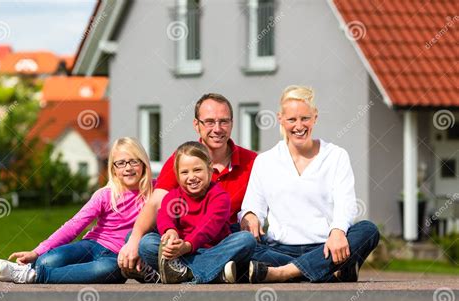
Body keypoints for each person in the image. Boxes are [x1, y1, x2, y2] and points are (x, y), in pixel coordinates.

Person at [239, 85, 379, 283]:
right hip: (279, 248)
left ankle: (284, 273)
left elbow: (346, 204)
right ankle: (329, 270)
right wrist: (250, 215)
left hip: (326, 246)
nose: (299, 126)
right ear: (280, 119)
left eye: (305, 118)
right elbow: (252, 207)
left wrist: (338, 231)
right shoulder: (265, 161)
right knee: (243, 245)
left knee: (368, 230)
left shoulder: (336, 156)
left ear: (315, 117)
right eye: (292, 119)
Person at [119, 93, 257, 279]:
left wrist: (252, 213)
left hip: (220, 239)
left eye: (223, 121)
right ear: (196, 125)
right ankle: (214, 272)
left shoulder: (253, 161)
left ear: (232, 123)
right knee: (144, 243)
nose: (217, 129)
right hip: (182, 238)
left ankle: (183, 272)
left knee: (246, 240)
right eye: (209, 122)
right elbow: (158, 205)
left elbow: (267, 200)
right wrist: (139, 238)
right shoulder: (182, 158)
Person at [0, 137, 159, 284]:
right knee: (47, 261)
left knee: (107, 269)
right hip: (92, 245)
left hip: (116, 258)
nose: (128, 168)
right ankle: (28, 268)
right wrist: (36, 252)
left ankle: (33, 276)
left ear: (143, 163)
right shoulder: (105, 195)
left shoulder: (157, 191)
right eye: (121, 163)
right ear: (113, 169)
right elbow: (73, 225)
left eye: (133, 161)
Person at [139, 141, 256, 284]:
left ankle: (186, 273)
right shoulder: (174, 196)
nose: (191, 177)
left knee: (246, 239)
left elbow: (208, 228)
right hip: (179, 252)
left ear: (210, 170)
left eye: (197, 170)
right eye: (184, 172)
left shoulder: (220, 197)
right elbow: (164, 216)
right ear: (177, 175)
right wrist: (170, 231)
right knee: (147, 243)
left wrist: (187, 245)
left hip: (214, 250)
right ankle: (214, 273)